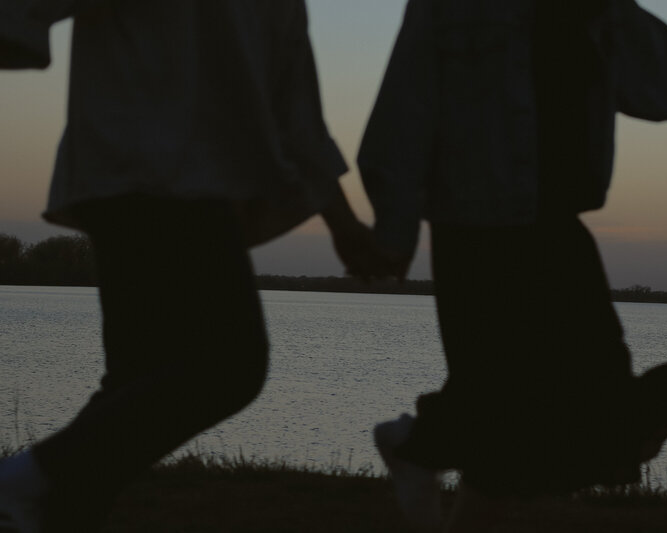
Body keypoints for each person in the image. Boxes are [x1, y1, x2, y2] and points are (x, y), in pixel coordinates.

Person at [359, 0, 667, 530]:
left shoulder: (598, 10)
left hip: (558, 230)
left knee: (566, 428)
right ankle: (419, 446)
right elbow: (404, 106)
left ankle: (419, 446)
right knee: (522, 426)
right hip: (474, 231)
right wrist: (394, 230)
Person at [0, 2, 381, 531]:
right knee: (231, 365)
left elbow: (299, 120)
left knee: (135, 383)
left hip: (178, 182)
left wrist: (345, 226)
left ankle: (47, 504)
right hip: (139, 167)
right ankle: (26, 479)